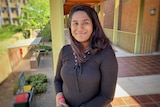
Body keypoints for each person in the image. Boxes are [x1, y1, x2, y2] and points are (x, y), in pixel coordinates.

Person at [54, 5, 118, 107]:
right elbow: (57, 79)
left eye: (85, 22)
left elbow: (107, 96)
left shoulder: (106, 54)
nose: (80, 28)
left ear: (94, 25)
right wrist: (60, 99)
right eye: (75, 23)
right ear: (70, 27)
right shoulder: (65, 51)